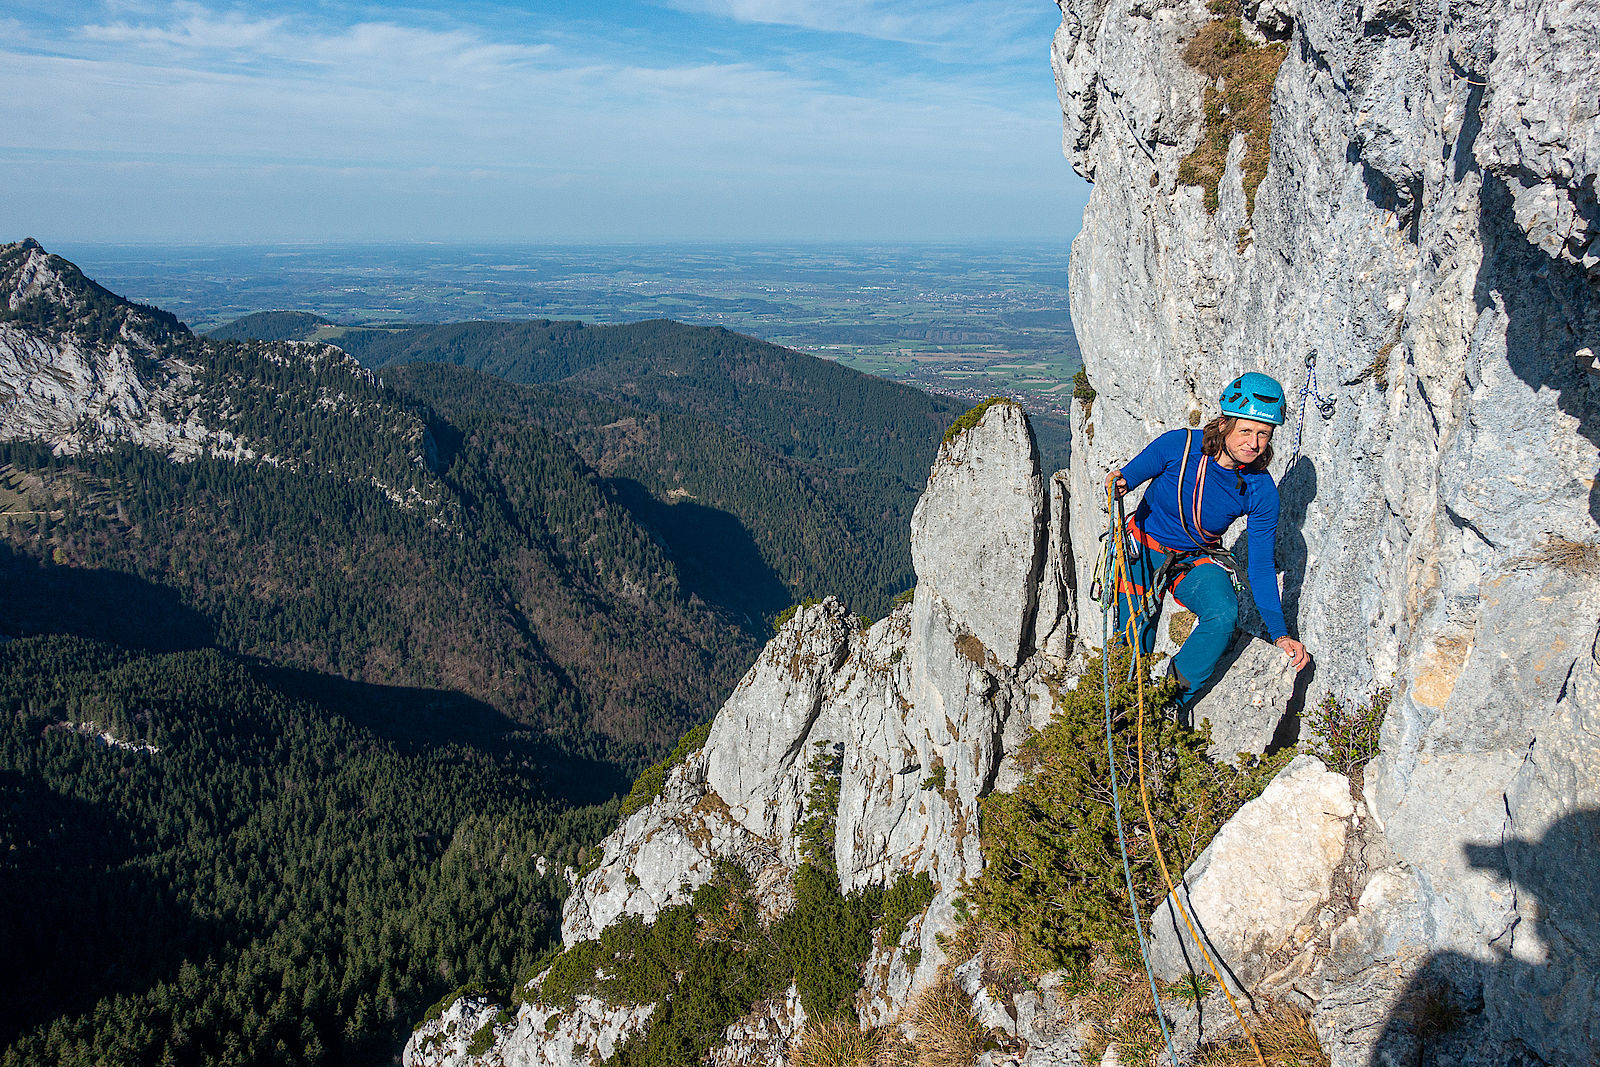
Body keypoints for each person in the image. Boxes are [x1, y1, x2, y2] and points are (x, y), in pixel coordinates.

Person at [1106, 372, 1310, 708]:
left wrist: (1280, 633)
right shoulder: (1179, 446)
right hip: (1142, 551)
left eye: (1264, 434)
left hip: (1192, 558)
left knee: (1224, 613)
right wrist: (1120, 482)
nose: (1254, 443)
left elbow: (1259, 567)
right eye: (1246, 430)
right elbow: (1129, 476)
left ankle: (1169, 702)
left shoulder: (1259, 490)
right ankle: (1122, 713)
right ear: (1225, 425)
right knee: (1133, 644)